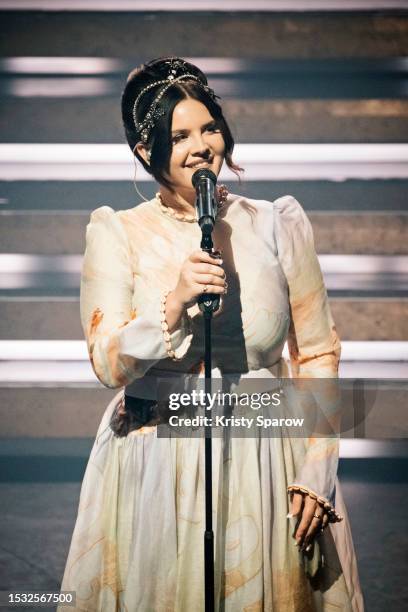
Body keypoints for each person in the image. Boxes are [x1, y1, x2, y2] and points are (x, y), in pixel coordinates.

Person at [59, 57, 364, 611]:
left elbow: (317, 351)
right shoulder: (118, 232)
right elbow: (107, 364)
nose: (201, 145)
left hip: (267, 459)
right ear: (144, 152)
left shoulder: (275, 222)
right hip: (157, 469)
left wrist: (317, 470)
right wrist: (171, 307)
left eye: (209, 128)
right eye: (179, 136)